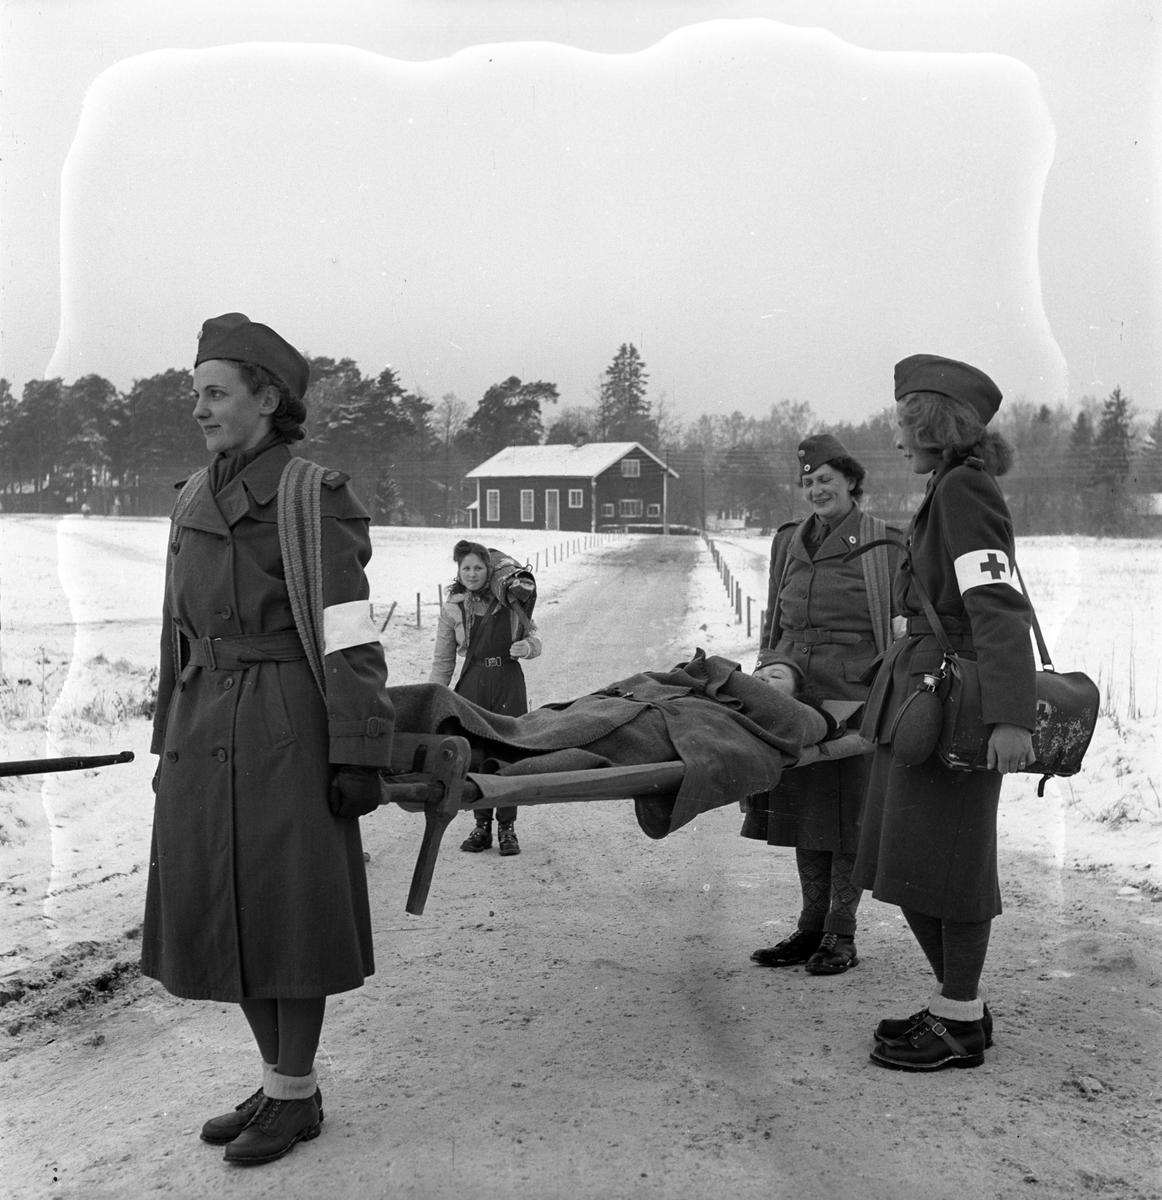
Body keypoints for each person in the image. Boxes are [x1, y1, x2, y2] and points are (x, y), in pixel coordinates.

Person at [143, 313, 393, 1164]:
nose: (199, 410)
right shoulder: (190, 495)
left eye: (215, 394)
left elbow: (351, 633)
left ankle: (293, 1093)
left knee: (285, 910)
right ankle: (285, 1083)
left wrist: (359, 749)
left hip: (285, 722)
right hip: (201, 716)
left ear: (268, 398)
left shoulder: (311, 496)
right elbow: (174, 633)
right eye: (196, 394)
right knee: (225, 904)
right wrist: (165, 740)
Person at [854, 353, 1035, 1072]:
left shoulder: (965, 490)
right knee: (907, 860)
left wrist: (1011, 717)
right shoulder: (947, 486)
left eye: (903, 422)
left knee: (951, 865)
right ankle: (959, 1006)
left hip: (959, 701)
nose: (896, 437)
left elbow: (998, 606)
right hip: (926, 691)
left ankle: (959, 1020)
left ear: (932, 424)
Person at [744, 434, 900, 976]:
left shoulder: (885, 543)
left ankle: (842, 932)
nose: (816, 490)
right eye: (808, 482)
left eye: (826, 480)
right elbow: (773, 621)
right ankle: (811, 927)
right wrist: (771, 670)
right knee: (807, 811)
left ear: (851, 480)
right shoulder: (788, 541)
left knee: (849, 818)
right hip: (798, 696)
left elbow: (902, 628)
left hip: (855, 698)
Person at [429, 539, 540, 855]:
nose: (472, 574)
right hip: (473, 681)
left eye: (478, 568)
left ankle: (507, 827)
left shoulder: (510, 599)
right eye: (466, 568)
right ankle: (481, 826)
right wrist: (432, 697)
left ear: (488, 570)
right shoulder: (453, 607)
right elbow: (443, 660)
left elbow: (534, 635)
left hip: (507, 680)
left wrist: (528, 647)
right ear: (458, 570)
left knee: (507, 752)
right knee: (476, 754)